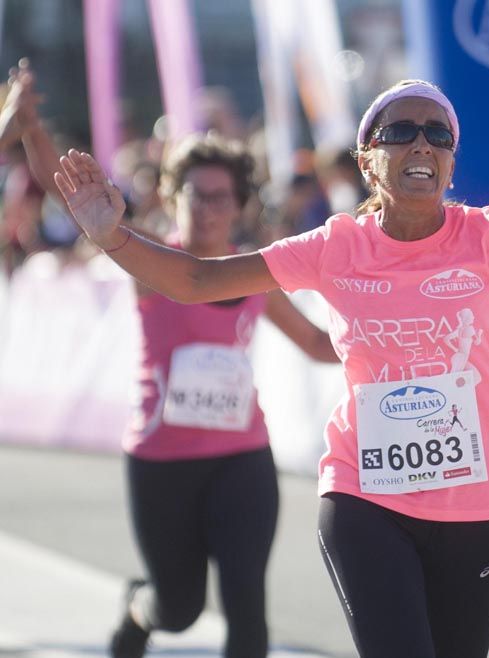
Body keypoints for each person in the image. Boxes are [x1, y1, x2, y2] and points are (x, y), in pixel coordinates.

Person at [54, 79, 489, 658]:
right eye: (400, 132)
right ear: (368, 161)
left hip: (478, 506)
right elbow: (199, 278)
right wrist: (113, 235)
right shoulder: (338, 246)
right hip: (366, 497)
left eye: (436, 134)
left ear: (452, 161)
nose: (420, 144)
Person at [9, 63, 340, 658]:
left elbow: (317, 345)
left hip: (242, 458)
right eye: (196, 194)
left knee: (246, 607)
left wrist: (394, 334)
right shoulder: (151, 262)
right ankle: (142, 606)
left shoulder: (251, 272)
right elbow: (77, 197)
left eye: (222, 198)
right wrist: (32, 129)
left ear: (239, 206)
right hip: (163, 461)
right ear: (170, 195)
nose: (209, 209)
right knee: (179, 608)